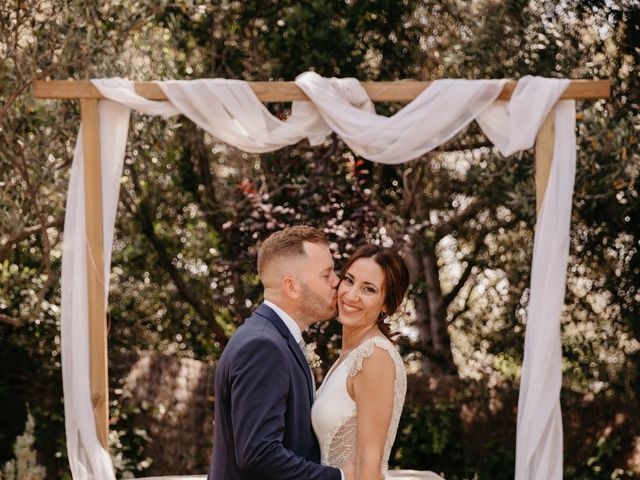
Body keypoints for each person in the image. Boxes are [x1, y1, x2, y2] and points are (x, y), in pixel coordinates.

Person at [207, 226, 351, 480]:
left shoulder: (271, 338)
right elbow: (259, 454)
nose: (336, 282)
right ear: (292, 287)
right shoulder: (263, 347)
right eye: (326, 274)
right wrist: (339, 477)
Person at [311, 244, 443, 480]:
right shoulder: (349, 356)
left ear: (387, 305)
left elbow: (368, 461)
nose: (351, 295)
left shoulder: (374, 356)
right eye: (349, 280)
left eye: (368, 289)